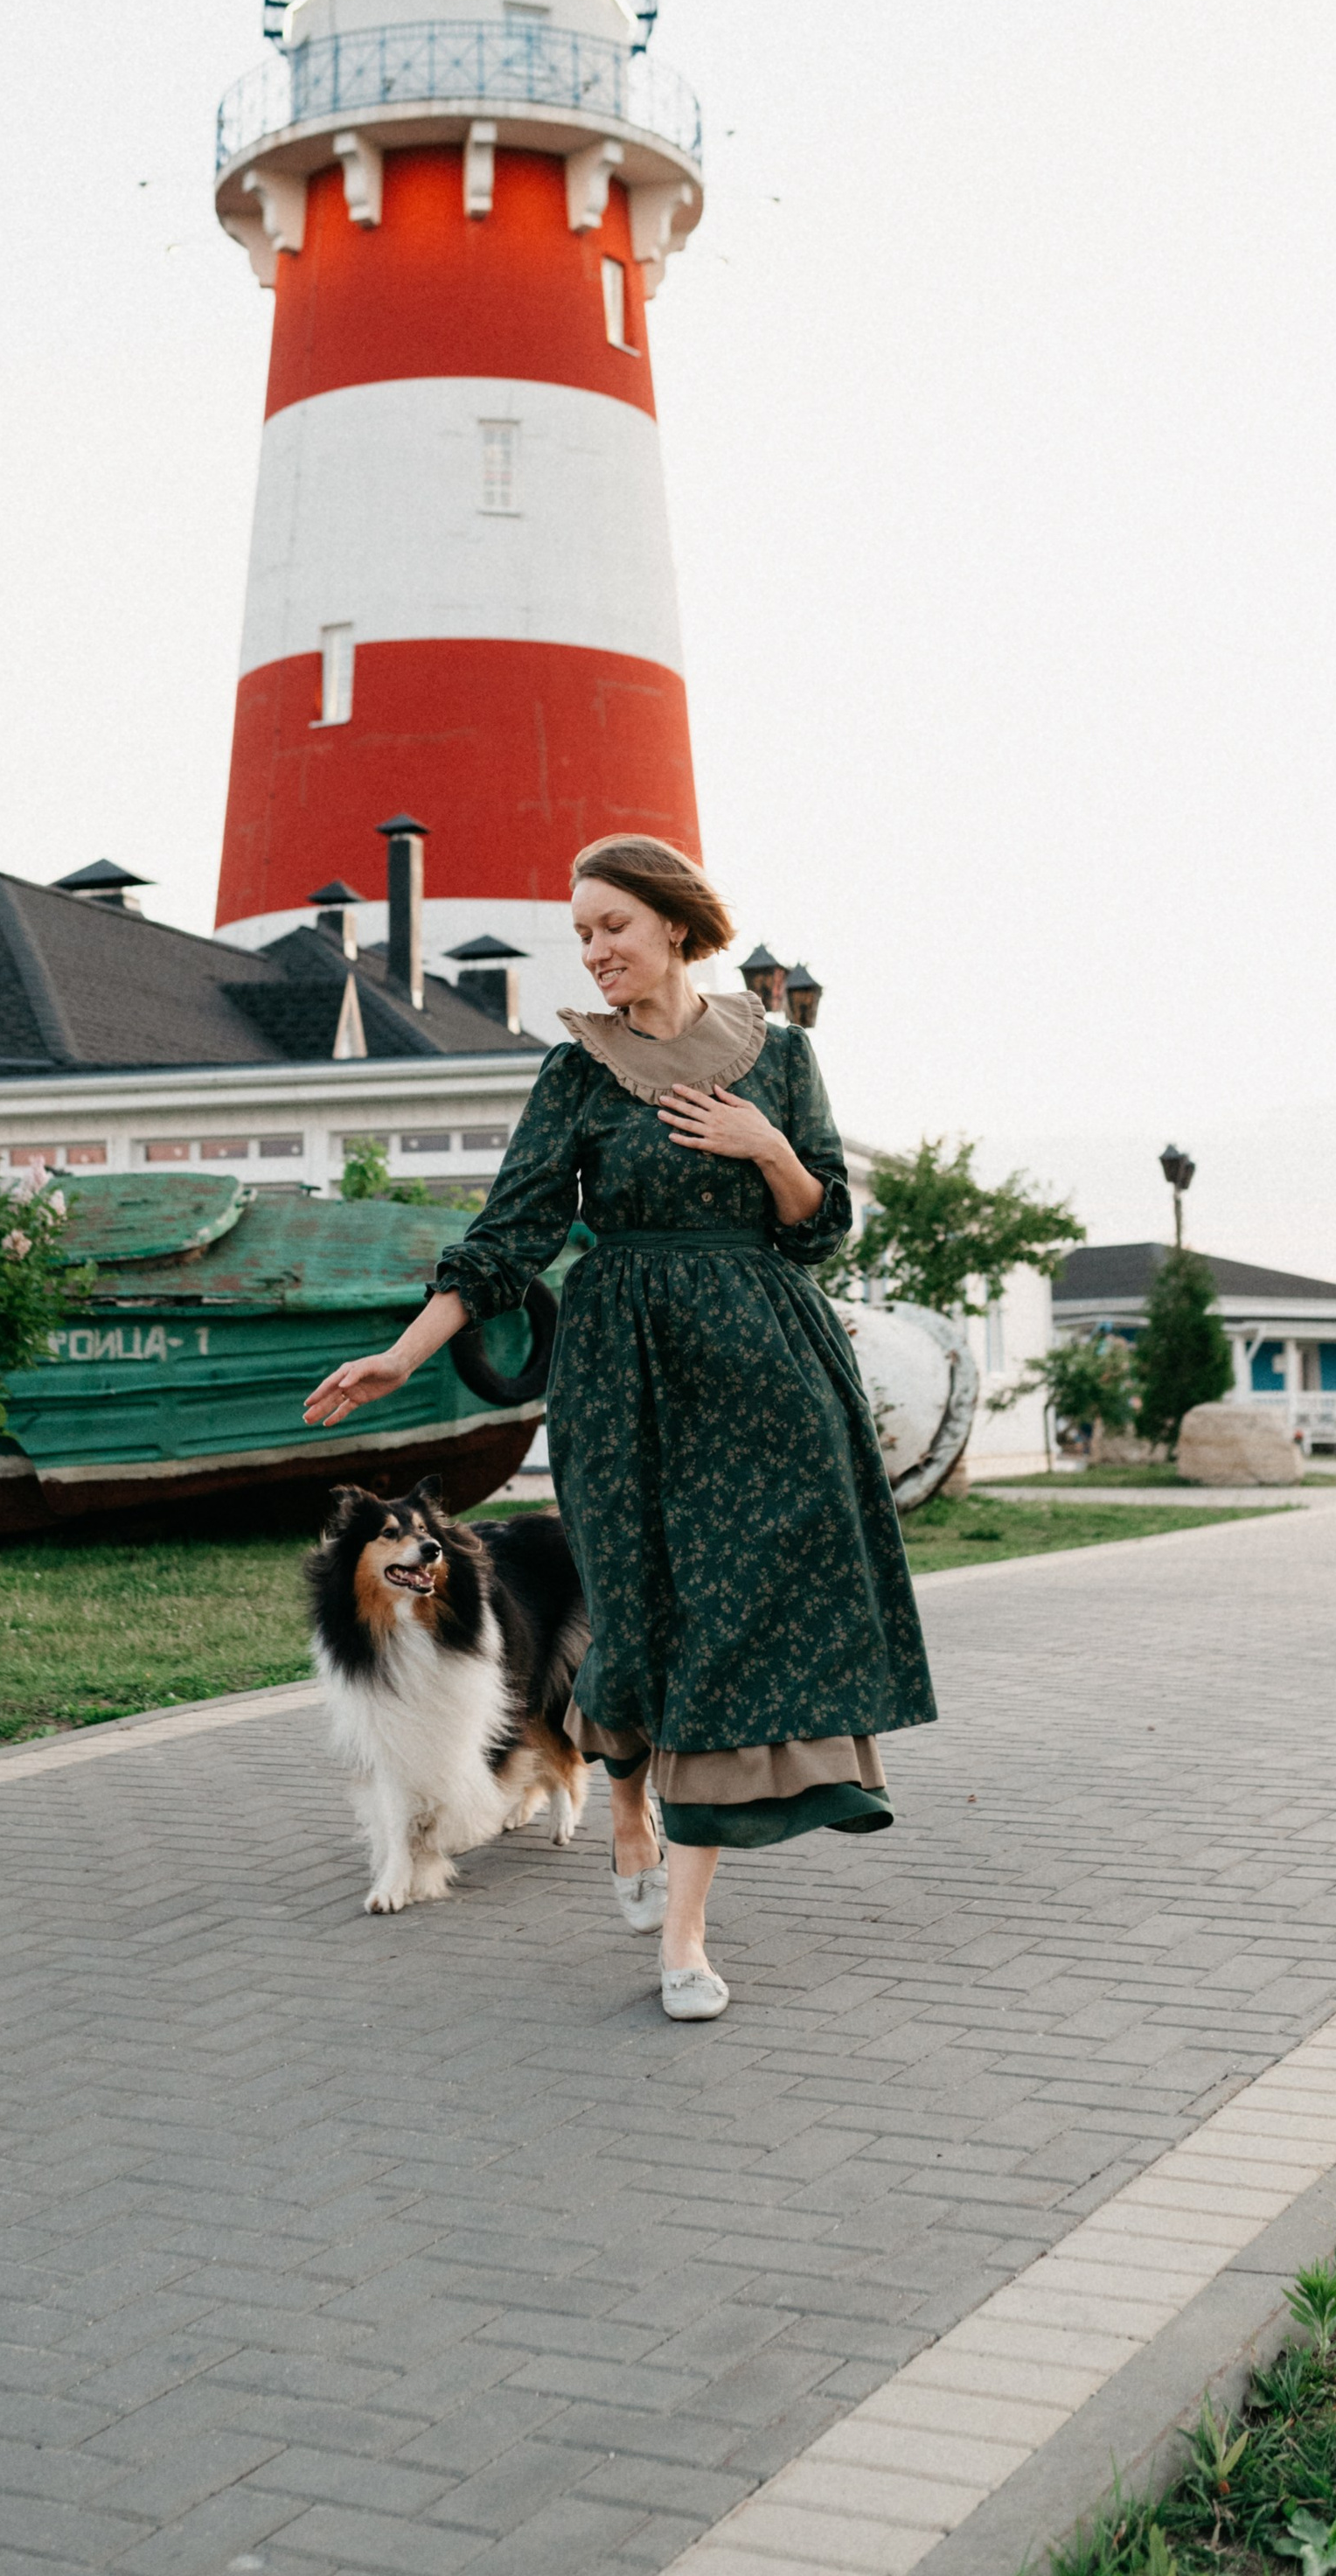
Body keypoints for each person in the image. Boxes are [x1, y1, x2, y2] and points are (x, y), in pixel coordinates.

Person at [303, 833, 936, 2020]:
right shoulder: (577, 1076)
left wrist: (771, 1151)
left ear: (676, 926)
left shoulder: (780, 1055)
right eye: (580, 931)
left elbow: (823, 1227)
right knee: (639, 1613)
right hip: (623, 1380)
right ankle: (628, 1799)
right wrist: (401, 1354)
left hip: (766, 1374)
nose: (592, 951)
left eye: (612, 927)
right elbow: (509, 1237)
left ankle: (685, 1940)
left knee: (725, 1622)